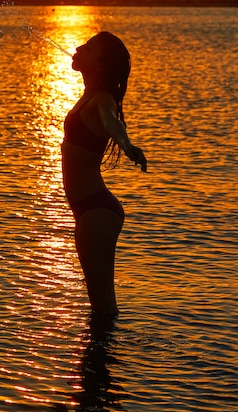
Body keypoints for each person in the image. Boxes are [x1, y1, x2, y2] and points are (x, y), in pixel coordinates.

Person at [61, 32, 147, 316]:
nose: (77, 47)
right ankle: (98, 358)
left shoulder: (101, 99)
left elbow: (112, 123)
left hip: (97, 211)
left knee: (103, 308)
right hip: (88, 210)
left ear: (99, 65)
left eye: (89, 46)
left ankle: (105, 357)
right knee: (98, 307)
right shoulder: (88, 97)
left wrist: (126, 144)